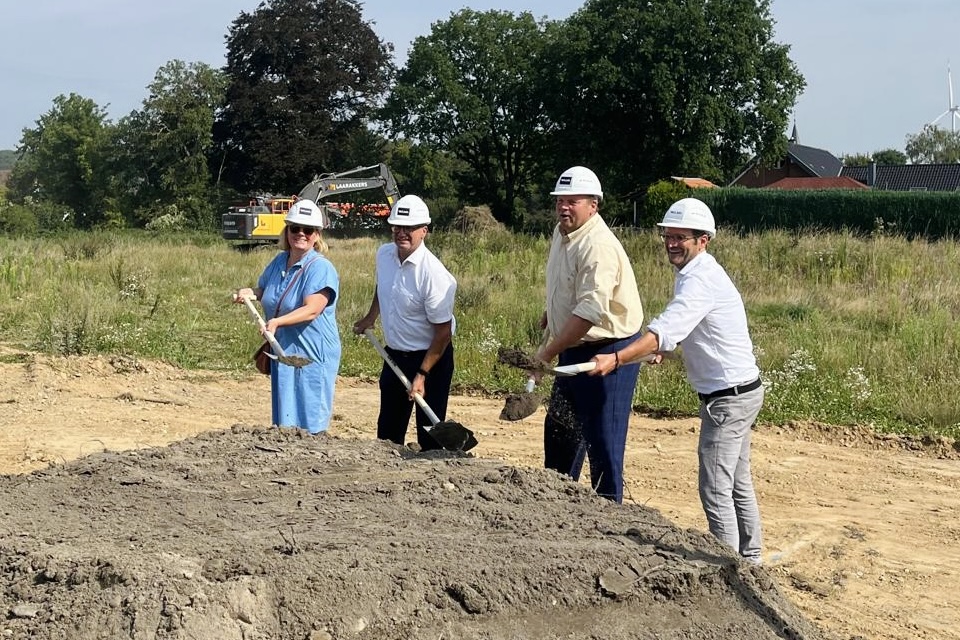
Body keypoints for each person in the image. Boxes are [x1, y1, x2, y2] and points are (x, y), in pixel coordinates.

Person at [590, 197, 764, 564]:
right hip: (744, 391)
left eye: (681, 237)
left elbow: (666, 329)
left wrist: (618, 358)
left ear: (704, 240)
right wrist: (662, 350)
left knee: (715, 486)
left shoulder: (699, 280)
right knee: (737, 481)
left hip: (727, 400)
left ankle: (729, 569)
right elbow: (693, 331)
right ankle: (751, 560)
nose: (671, 243)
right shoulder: (701, 274)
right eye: (668, 236)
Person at [533, 166, 645, 503]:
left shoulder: (598, 247)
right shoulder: (563, 233)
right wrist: (551, 312)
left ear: (593, 205)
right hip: (574, 343)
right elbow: (570, 289)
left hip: (607, 350)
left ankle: (609, 511)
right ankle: (558, 504)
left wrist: (547, 353)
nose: (564, 207)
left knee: (603, 440)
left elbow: (588, 314)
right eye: (560, 201)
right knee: (561, 431)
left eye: (573, 201)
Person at [352, 194, 458, 451]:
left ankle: (431, 479)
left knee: (430, 434)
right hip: (395, 356)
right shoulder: (384, 255)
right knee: (388, 433)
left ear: (424, 231)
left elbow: (443, 334)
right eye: (397, 227)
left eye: (409, 228)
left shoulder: (434, 275)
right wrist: (370, 317)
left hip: (431, 358)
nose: (402, 233)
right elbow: (384, 287)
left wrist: (421, 374)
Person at [234, 199, 341, 435]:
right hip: (283, 351)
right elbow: (266, 291)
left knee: (310, 418)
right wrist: (249, 293)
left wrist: (277, 321)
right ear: (287, 230)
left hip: (312, 354)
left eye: (307, 230)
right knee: (286, 416)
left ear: (317, 235)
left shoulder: (321, 268)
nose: (300, 234)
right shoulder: (279, 261)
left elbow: (313, 309)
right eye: (295, 228)